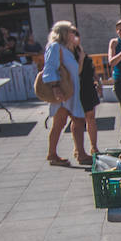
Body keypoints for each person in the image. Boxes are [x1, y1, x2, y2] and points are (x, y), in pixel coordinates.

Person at [42, 21, 86, 166]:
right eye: (70, 31)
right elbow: (49, 68)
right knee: (65, 122)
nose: (73, 34)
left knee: (72, 122)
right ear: (63, 34)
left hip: (71, 93)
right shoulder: (55, 47)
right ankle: (55, 154)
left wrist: (80, 59)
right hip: (62, 93)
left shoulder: (66, 49)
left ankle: (78, 153)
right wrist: (55, 87)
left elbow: (75, 72)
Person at [72, 29, 101, 160]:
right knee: (78, 120)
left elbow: (91, 68)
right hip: (77, 88)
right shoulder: (68, 54)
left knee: (91, 117)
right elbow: (75, 72)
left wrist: (98, 81)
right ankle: (79, 149)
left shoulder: (81, 51)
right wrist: (81, 59)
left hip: (89, 87)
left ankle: (94, 146)